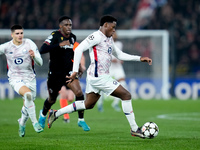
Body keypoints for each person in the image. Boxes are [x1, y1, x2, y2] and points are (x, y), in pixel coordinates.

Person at [47, 15, 152, 138]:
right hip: (99, 78)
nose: (114, 30)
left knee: (88, 105)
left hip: (96, 77)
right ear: (105, 25)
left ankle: (56, 113)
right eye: (113, 27)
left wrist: (139, 58)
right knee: (126, 95)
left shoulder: (109, 39)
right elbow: (79, 49)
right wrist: (74, 71)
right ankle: (134, 129)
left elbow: (119, 54)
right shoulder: (96, 36)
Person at [38, 16, 90, 131]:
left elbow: (72, 53)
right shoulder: (54, 35)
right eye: (66, 25)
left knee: (79, 93)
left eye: (70, 25)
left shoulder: (72, 37)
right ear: (60, 26)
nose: (69, 27)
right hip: (55, 74)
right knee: (52, 99)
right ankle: (42, 115)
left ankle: (81, 120)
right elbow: (42, 49)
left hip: (68, 72)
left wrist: (79, 66)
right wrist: (58, 45)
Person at [0, 24, 44, 137]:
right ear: (12, 35)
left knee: (27, 104)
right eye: (17, 33)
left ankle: (22, 123)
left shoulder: (29, 43)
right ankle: (35, 123)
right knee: (28, 95)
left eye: (21, 33)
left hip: (30, 78)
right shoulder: (6, 47)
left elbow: (41, 63)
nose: (20, 35)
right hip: (15, 78)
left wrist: (34, 56)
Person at [97, 32, 128, 112]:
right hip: (108, 67)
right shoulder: (104, 43)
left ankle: (115, 103)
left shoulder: (119, 44)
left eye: (115, 34)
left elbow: (118, 54)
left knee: (123, 84)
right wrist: (112, 59)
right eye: (113, 33)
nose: (115, 35)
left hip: (117, 67)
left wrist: (121, 59)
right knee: (103, 86)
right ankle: (100, 103)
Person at [59, 42, 86, 123]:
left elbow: (81, 56)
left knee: (70, 98)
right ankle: (66, 117)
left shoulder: (76, 44)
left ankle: (52, 111)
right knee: (63, 94)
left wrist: (82, 66)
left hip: (72, 73)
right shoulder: (60, 43)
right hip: (61, 73)